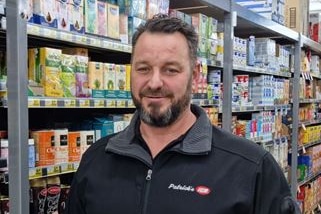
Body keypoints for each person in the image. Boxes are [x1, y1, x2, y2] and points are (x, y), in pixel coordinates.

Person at [65, 14, 300, 214]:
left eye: (170, 69)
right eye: (144, 69)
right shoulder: (96, 159)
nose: (154, 83)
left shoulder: (251, 167)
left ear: (196, 74)